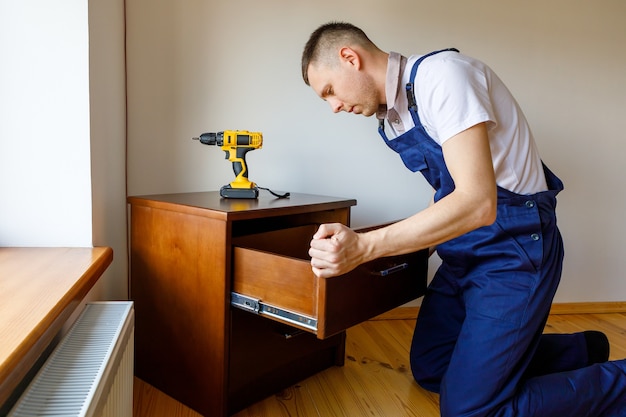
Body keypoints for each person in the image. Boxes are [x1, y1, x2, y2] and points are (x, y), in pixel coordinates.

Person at [301, 22, 626, 417]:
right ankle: (583, 351)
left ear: (350, 58)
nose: (333, 107)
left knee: (469, 411)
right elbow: (451, 191)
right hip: (467, 248)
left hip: (516, 250)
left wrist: (366, 247)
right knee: (432, 368)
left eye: (329, 91)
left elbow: (476, 202)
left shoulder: (444, 77)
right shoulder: (392, 120)